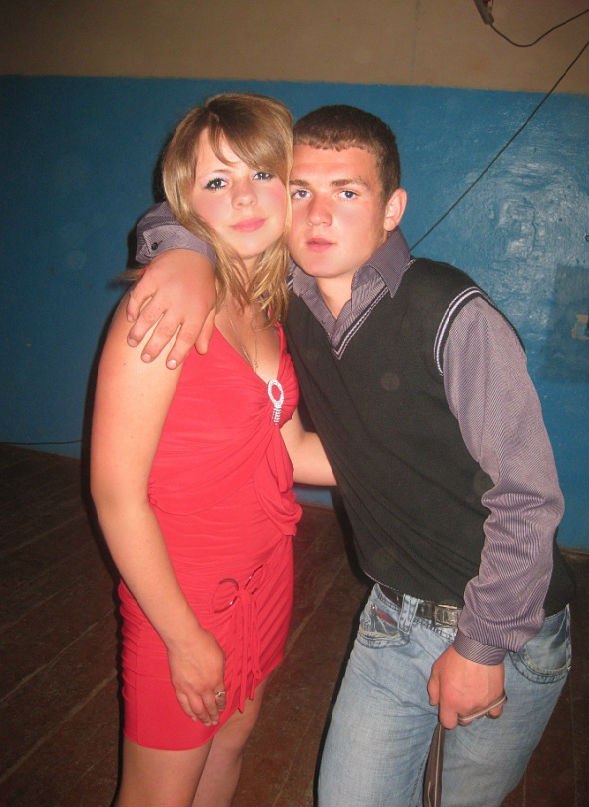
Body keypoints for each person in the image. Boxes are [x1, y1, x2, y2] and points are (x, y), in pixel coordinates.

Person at [123, 104, 574, 807]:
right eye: (300, 190)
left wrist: (481, 645)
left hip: (505, 623)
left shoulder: (450, 314)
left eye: (347, 191)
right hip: (390, 615)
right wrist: (181, 250)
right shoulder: (286, 301)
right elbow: (206, 206)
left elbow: (528, 497)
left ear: (392, 209)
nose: (318, 215)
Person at [91, 93, 334, 807]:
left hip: (265, 575)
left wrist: (414, 465)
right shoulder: (163, 307)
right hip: (181, 594)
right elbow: (115, 495)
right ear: (185, 201)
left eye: (261, 174)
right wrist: (184, 637)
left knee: (230, 744)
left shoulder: (265, 310)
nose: (245, 198)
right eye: (217, 181)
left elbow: (289, 449)